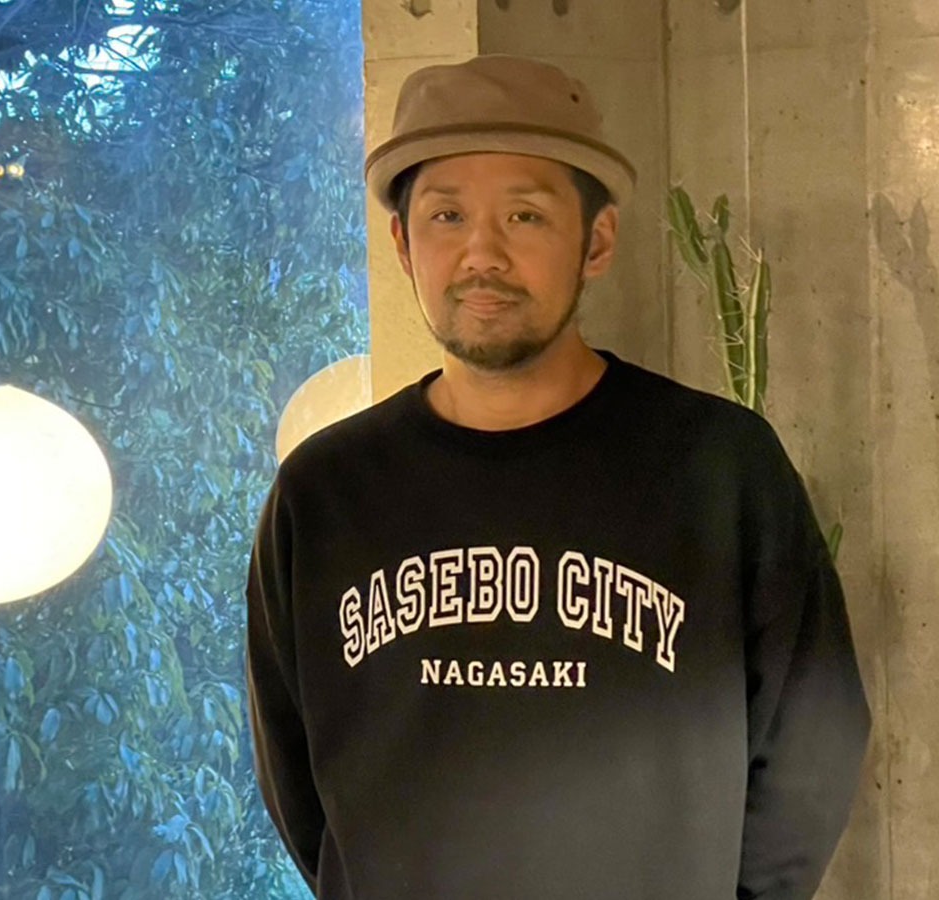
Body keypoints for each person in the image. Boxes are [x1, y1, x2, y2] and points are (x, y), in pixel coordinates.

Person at [245, 54, 870, 900]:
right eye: (446, 215)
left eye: (526, 215)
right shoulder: (322, 493)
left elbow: (813, 743)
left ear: (597, 241)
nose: (482, 254)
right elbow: (297, 778)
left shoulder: (721, 469)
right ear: (402, 245)